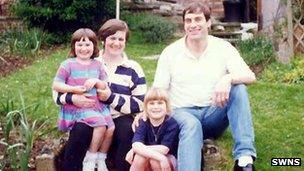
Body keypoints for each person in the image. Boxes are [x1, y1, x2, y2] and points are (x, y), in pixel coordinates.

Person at [153, 2, 257, 171]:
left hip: (213, 113)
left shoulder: (223, 47)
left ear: (208, 22)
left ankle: (244, 159)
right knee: (191, 124)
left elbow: (250, 76)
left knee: (239, 89)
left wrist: (228, 78)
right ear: (184, 24)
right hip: (181, 113)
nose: (193, 25)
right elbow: (159, 90)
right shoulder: (171, 52)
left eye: (198, 19)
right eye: (188, 20)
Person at [53, 19, 147, 171]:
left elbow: (140, 103)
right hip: (89, 113)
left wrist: (110, 98)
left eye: (120, 39)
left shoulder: (133, 68)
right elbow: (57, 93)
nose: (116, 43)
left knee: (127, 131)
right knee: (80, 130)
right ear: (103, 39)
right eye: (112, 38)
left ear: (125, 41)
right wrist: (73, 98)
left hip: (118, 116)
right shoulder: (88, 60)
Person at [52, 28, 115, 171]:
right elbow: (56, 85)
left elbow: (105, 84)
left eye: (88, 45)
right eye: (79, 44)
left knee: (110, 128)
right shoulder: (67, 64)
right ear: (73, 46)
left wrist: (97, 82)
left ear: (94, 47)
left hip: (96, 106)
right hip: (79, 108)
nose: (83, 48)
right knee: (100, 125)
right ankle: (90, 158)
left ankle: (101, 158)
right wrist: (73, 90)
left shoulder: (98, 65)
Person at [125, 87, 179, 171]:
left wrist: (136, 150)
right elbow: (136, 144)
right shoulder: (143, 121)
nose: (156, 107)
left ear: (167, 107)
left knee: (154, 160)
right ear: (146, 107)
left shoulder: (171, 123)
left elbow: (164, 149)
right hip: (154, 157)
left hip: (168, 158)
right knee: (140, 157)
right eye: (152, 103)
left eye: (160, 103)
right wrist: (136, 148)